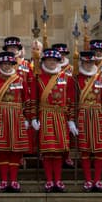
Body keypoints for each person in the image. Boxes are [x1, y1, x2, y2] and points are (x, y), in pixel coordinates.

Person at [74, 41, 102, 192]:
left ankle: (97, 180)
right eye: (86, 63)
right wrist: (72, 120)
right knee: (85, 151)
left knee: (99, 150)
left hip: (98, 116)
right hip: (83, 116)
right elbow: (72, 100)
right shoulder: (76, 79)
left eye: (91, 62)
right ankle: (87, 179)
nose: (88, 65)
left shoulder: (100, 79)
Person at [34, 46, 76, 192]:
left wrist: (71, 119)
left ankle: (57, 180)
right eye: (49, 60)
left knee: (58, 151)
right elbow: (33, 100)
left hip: (60, 117)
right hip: (45, 116)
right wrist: (33, 118)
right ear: (44, 61)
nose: (52, 62)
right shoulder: (38, 77)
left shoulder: (66, 78)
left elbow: (70, 99)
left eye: (54, 60)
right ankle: (49, 180)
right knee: (47, 151)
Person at [0, 49, 33, 192]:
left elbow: (27, 100)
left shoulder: (20, 80)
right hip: (1, 117)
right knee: (2, 150)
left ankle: (13, 180)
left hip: (17, 117)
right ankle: (4, 180)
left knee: (16, 150)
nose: (6, 66)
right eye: (4, 64)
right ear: (0, 65)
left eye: (9, 64)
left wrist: (28, 117)